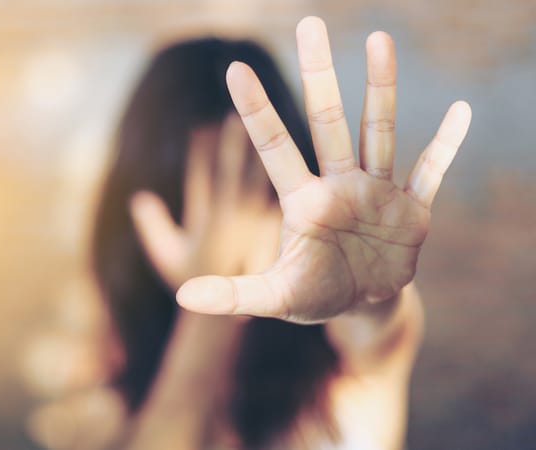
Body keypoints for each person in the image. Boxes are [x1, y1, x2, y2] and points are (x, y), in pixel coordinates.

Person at [92, 16, 471, 450]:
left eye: (249, 187)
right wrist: (210, 299)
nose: (227, 228)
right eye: (198, 201)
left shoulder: (340, 374)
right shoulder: (105, 377)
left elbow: (380, 339)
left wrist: (368, 303)